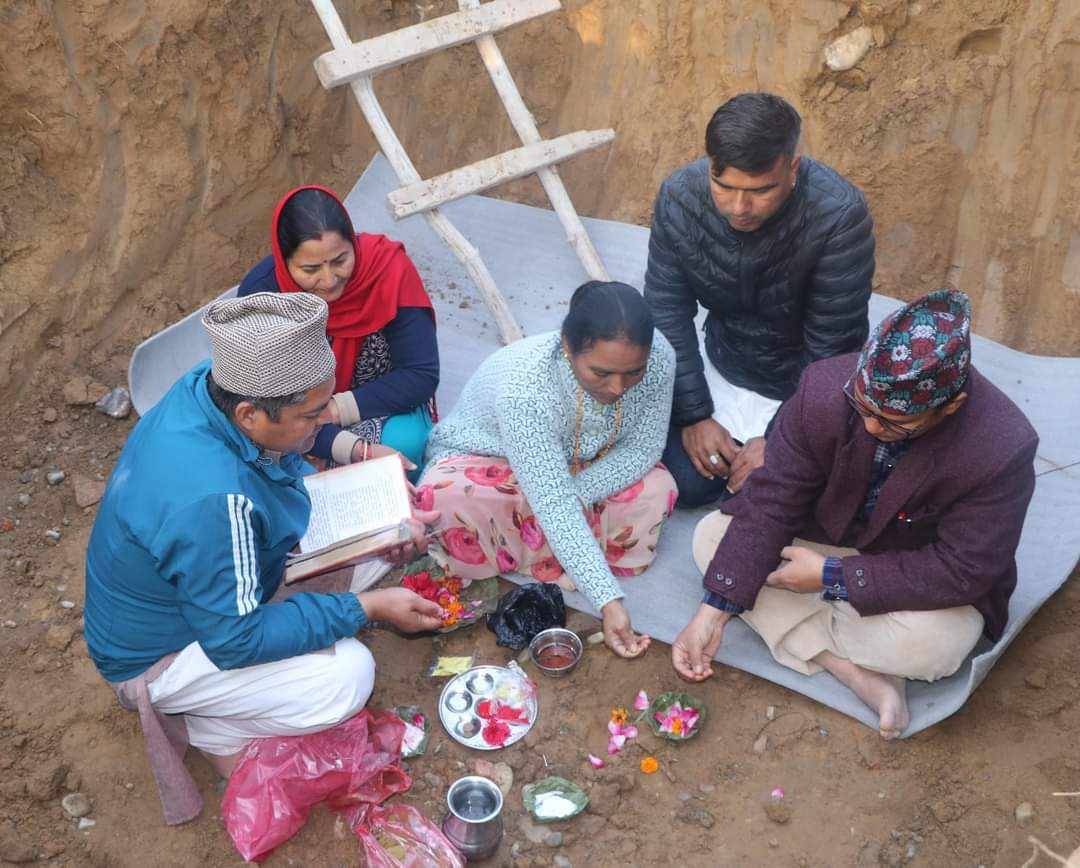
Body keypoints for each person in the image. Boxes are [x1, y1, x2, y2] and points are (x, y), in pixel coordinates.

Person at [84, 292, 443, 824]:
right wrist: (367, 610)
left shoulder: (211, 386)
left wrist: (361, 466)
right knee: (348, 675)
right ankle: (210, 722)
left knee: (382, 531)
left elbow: (276, 467)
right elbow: (236, 639)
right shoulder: (213, 502)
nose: (323, 422)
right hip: (167, 651)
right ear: (251, 414)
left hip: (214, 587)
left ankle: (228, 704)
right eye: (310, 415)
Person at [671, 289, 1037, 738]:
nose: (870, 427)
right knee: (711, 538)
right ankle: (851, 669)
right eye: (863, 408)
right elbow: (774, 499)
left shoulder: (1002, 448)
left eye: (892, 425)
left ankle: (809, 638)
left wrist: (832, 577)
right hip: (822, 533)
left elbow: (964, 569)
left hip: (910, 566)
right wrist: (713, 611)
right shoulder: (826, 387)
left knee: (942, 645)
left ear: (951, 406)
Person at [418, 281, 678, 658]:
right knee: (446, 500)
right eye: (601, 373)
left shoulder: (660, 359)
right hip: (493, 460)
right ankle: (570, 552)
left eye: (632, 372)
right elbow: (554, 504)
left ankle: (547, 550)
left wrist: (578, 491)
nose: (618, 387)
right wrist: (608, 600)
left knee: (657, 491)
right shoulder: (526, 390)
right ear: (567, 348)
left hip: (583, 469)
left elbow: (644, 446)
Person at [644, 91, 876, 506]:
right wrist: (694, 413)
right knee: (690, 483)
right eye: (724, 186)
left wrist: (779, 437)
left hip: (800, 383)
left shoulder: (839, 216)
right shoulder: (680, 197)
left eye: (759, 191)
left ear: (793, 168)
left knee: (774, 493)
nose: (739, 207)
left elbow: (831, 347)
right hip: (721, 362)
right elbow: (666, 309)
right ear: (709, 167)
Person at [238, 185, 438, 478]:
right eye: (310, 269)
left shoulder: (387, 270)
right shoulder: (264, 295)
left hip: (377, 400)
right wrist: (344, 444)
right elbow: (265, 403)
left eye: (340, 261)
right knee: (265, 464)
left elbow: (419, 374)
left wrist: (335, 409)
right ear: (284, 260)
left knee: (403, 448)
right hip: (291, 419)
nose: (329, 280)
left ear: (353, 245)